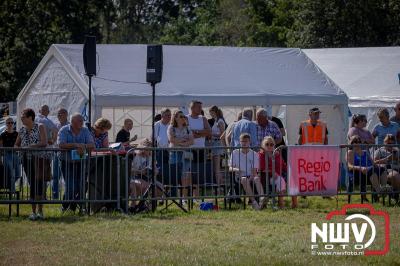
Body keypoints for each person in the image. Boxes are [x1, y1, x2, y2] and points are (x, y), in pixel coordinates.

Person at [14, 108, 48, 220]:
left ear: (30, 117)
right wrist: (18, 149)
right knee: (32, 184)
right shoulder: (22, 130)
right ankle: (33, 212)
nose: (21, 118)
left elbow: (44, 142)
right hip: (26, 159)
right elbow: (16, 144)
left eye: (23, 116)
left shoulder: (40, 126)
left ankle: (40, 211)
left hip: (38, 159)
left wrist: (30, 146)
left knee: (39, 184)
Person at [58, 113, 95, 212]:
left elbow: (92, 144)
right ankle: (65, 207)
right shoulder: (64, 130)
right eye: (79, 120)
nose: (82, 122)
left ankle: (74, 207)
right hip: (67, 162)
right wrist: (76, 145)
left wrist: (83, 146)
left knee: (81, 185)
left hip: (81, 162)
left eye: (82, 120)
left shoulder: (85, 130)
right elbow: (61, 144)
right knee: (71, 185)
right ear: (72, 122)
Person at [229, 133, 266, 210]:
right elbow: (230, 168)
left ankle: (262, 198)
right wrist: (237, 169)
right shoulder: (235, 152)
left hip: (251, 175)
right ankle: (254, 202)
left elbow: (254, 171)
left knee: (256, 178)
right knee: (244, 179)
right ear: (240, 142)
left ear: (250, 142)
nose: (244, 143)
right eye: (242, 141)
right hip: (239, 176)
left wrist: (251, 177)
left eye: (246, 141)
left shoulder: (254, 154)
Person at [346, 135, 389, 202]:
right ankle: (379, 192)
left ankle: (384, 189)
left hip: (369, 170)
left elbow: (373, 163)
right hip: (358, 173)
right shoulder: (350, 152)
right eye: (355, 142)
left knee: (383, 170)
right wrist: (360, 168)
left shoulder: (365, 152)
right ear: (351, 143)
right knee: (372, 171)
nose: (357, 143)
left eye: (359, 141)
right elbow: (350, 166)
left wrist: (380, 165)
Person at [258, 136, 297, 209]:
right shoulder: (261, 155)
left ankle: (294, 204)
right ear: (263, 145)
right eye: (267, 144)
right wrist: (272, 172)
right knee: (280, 180)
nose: (269, 146)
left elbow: (283, 165)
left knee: (292, 179)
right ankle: (281, 204)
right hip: (267, 177)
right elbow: (262, 168)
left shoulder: (277, 154)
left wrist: (291, 171)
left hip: (279, 174)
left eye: (271, 144)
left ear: (274, 145)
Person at [128, 139, 162, 213]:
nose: (149, 151)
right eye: (147, 149)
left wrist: (155, 171)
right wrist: (140, 171)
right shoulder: (135, 157)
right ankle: (134, 206)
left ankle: (149, 206)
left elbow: (155, 168)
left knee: (160, 186)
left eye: (150, 149)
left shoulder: (151, 158)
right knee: (141, 185)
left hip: (148, 179)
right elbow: (130, 170)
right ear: (142, 149)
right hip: (136, 178)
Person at [168, 110, 194, 198]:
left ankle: (184, 197)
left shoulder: (187, 128)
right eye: (181, 116)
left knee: (185, 175)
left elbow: (192, 141)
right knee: (176, 175)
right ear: (175, 118)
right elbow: (171, 139)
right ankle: (176, 196)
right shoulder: (171, 128)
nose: (183, 118)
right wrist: (183, 141)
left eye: (184, 116)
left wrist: (181, 143)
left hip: (186, 154)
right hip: (175, 153)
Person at [373, 134, 400, 203]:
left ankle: (393, 194)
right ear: (384, 142)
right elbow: (374, 162)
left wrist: (397, 159)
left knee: (396, 175)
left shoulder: (397, 150)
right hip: (386, 170)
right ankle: (394, 195)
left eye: (392, 143)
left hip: (397, 169)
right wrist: (387, 159)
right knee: (395, 176)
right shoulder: (379, 151)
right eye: (388, 143)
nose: (390, 145)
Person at [0, 117, 20, 192]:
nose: (10, 124)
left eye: (12, 123)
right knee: (11, 173)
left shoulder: (17, 133)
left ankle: (9, 185)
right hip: (6, 155)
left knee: (18, 174)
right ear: (6, 124)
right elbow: (0, 147)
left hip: (15, 154)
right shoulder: (3, 134)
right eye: (8, 123)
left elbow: (19, 144)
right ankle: (12, 192)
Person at [209, 106, 225, 186]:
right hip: (215, 144)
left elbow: (222, 134)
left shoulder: (220, 121)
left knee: (217, 168)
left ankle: (220, 185)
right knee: (216, 168)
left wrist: (212, 134)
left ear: (215, 112)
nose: (210, 114)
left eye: (211, 112)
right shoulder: (216, 121)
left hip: (218, 144)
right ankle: (220, 184)